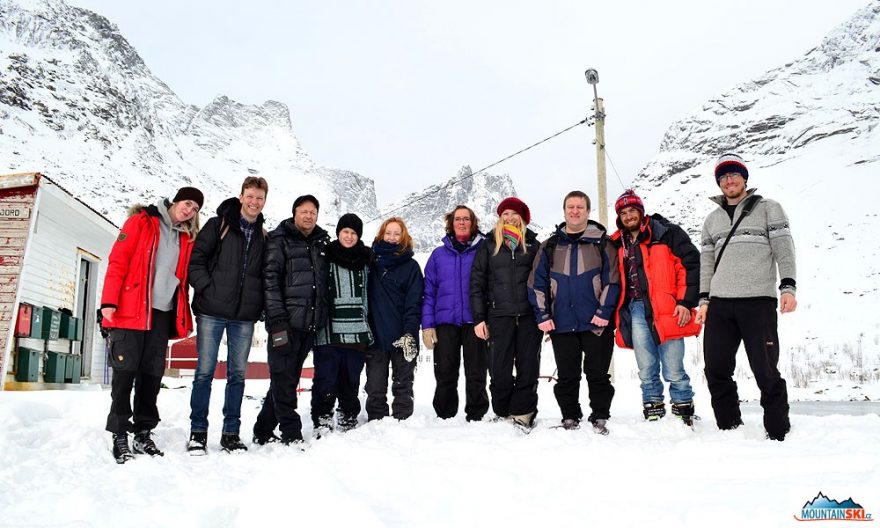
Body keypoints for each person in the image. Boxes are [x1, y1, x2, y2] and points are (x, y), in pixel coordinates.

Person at [694, 153, 797, 441]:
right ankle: (729, 428)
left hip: (758, 302)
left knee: (765, 369)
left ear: (745, 178)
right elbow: (707, 263)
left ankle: (778, 432)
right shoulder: (712, 220)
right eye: (723, 176)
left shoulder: (768, 208)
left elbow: (784, 249)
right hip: (720, 305)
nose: (729, 180)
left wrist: (788, 287)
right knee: (715, 368)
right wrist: (704, 300)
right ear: (719, 182)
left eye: (734, 174)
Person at [100, 186, 202, 463]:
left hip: (161, 313)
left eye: (195, 209)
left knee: (152, 374)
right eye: (187, 204)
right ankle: (120, 432)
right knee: (125, 372)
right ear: (176, 200)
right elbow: (118, 261)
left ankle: (144, 432)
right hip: (131, 309)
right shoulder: (142, 222)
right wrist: (108, 302)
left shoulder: (186, 237)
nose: (189, 211)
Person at [186, 176, 268, 454]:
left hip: (244, 317)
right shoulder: (217, 224)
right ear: (241, 196)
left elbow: (265, 276)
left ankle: (230, 433)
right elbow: (195, 261)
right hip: (211, 312)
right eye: (250, 196)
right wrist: (208, 289)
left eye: (259, 198)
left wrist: (258, 306)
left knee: (237, 375)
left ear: (264, 201)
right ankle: (198, 432)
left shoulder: (264, 236)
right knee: (204, 373)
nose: (254, 202)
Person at [528, 191, 620, 435]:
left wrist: (604, 312)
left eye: (580, 207)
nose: (575, 211)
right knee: (568, 376)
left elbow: (613, 281)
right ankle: (570, 415)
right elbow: (536, 284)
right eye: (571, 207)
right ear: (565, 211)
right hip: (562, 322)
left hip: (596, 322)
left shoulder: (602, 242)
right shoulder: (550, 246)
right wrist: (543, 316)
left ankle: (600, 415)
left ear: (588, 211)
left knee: (598, 374)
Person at [610, 189, 701, 425]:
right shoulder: (614, 243)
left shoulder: (666, 233)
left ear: (641, 212)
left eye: (632, 211)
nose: (628, 216)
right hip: (636, 308)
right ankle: (653, 408)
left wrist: (685, 302)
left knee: (673, 365)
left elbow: (690, 266)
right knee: (646, 365)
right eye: (623, 212)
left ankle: (683, 408)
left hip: (668, 307)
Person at [252, 194, 330, 446]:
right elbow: (270, 281)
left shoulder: (320, 243)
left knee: (285, 378)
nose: (309, 216)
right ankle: (291, 431)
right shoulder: (279, 240)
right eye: (304, 211)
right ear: (294, 213)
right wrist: (277, 320)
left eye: (313, 212)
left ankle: (263, 430)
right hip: (283, 323)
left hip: (308, 324)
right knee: (283, 378)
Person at [471, 197, 542, 431]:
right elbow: (477, 284)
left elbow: (544, 282)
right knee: (499, 369)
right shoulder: (489, 245)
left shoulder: (534, 245)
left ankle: (523, 413)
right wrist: (480, 318)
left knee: (528, 367)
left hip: (529, 317)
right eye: (504, 214)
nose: (509, 218)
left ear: (522, 218)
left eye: (514, 214)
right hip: (498, 316)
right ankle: (503, 410)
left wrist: (545, 315)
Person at [421, 206, 489, 421]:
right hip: (445, 322)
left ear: (473, 223)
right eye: (457, 219)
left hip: (475, 322)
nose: (461, 223)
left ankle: (476, 414)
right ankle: (444, 414)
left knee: (476, 372)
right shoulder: (438, 255)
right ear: (451, 223)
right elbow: (429, 292)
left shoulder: (484, 249)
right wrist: (428, 325)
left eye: (466, 219)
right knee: (445, 372)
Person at [311, 213, 374, 437]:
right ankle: (323, 418)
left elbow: (369, 296)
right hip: (328, 332)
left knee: (351, 380)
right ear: (339, 233)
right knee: (326, 379)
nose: (349, 236)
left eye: (354, 233)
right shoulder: (325, 256)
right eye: (345, 232)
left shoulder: (366, 260)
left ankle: (348, 415)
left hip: (357, 333)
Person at [365, 217, 424, 421]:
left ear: (403, 237)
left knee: (403, 383)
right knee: (375, 385)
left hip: (402, 335)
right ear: (381, 235)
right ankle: (376, 422)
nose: (391, 237)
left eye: (396, 234)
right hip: (375, 334)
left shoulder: (411, 267)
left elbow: (414, 303)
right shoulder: (370, 261)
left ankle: (403, 421)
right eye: (388, 233)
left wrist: (409, 333)